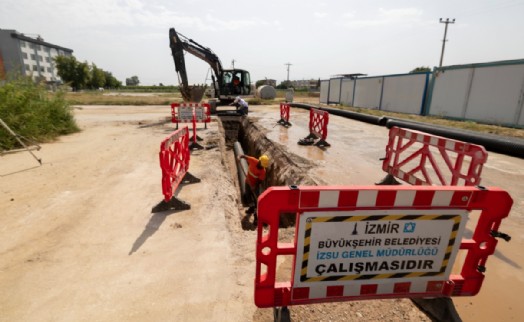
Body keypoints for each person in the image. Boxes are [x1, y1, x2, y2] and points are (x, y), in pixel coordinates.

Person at [237, 154, 270, 225]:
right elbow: (242, 156)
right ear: (260, 161)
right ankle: (251, 208)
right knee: (248, 196)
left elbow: (260, 181)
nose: (262, 167)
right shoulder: (253, 160)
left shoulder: (263, 171)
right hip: (247, 182)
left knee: (256, 200)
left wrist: (254, 186)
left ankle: (256, 217)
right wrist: (239, 157)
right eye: (262, 165)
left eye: (264, 166)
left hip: (255, 185)